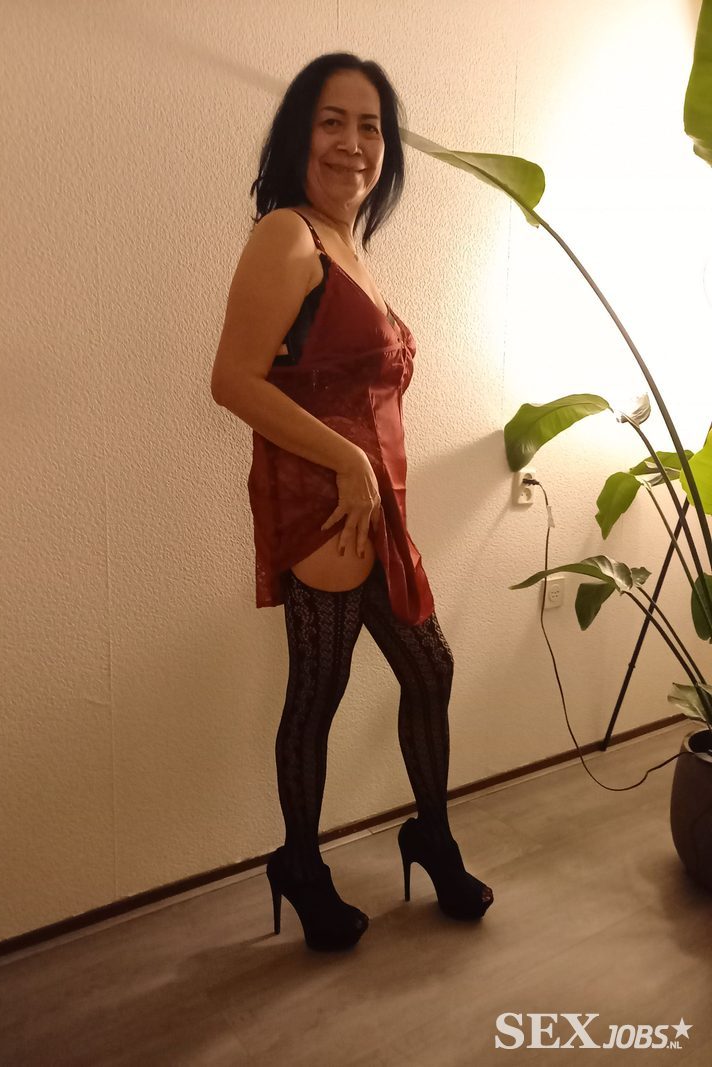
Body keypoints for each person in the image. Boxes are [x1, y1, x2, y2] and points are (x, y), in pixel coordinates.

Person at [211, 52, 493, 952]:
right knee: (320, 689)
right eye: (332, 121)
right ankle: (301, 864)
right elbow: (232, 380)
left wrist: (371, 476)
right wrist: (349, 464)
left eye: (370, 126)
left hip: (375, 507)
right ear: (299, 132)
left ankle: (431, 836)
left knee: (429, 670)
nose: (352, 143)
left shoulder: (347, 245)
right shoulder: (286, 234)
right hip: (327, 502)